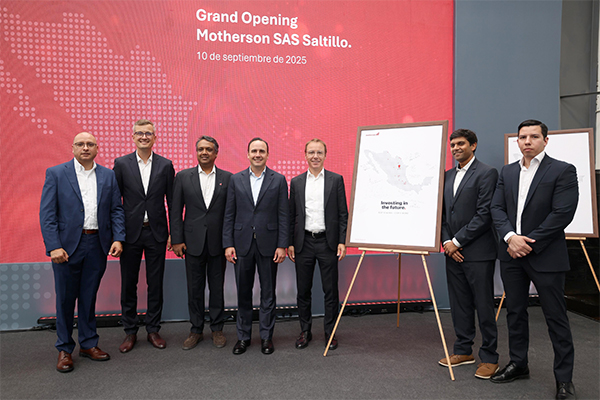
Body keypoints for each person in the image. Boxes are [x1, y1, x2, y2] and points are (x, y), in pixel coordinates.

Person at [490, 120, 578, 400]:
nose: (527, 141)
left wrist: (527, 243)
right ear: (517, 141)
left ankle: (564, 379)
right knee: (515, 312)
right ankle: (519, 364)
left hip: (546, 256)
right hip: (511, 255)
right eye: (522, 137)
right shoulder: (507, 171)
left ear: (545, 140)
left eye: (534, 136)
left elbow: (562, 214)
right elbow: (496, 208)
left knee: (556, 318)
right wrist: (510, 238)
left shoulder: (562, 170)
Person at [40, 132, 125, 373]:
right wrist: (54, 246)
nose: (85, 148)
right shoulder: (56, 173)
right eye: (80, 144)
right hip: (66, 248)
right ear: (73, 148)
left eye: (90, 144)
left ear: (97, 149)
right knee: (65, 299)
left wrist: (118, 238)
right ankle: (64, 349)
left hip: (97, 244)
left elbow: (116, 210)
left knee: (89, 297)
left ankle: (88, 344)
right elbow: (47, 214)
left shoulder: (108, 175)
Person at [438, 129, 499, 379]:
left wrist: (457, 241)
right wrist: (446, 242)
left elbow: (485, 214)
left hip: (478, 252)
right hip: (452, 253)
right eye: (452, 144)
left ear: (473, 145)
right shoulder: (446, 175)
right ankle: (463, 351)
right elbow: (442, 214)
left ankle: (490, 357)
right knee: (459, 304)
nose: (455, 148)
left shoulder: (487, 173)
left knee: (483, 305)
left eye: (461, 144)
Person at [223, 138, 289, 355]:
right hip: (241, 244)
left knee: (268, 293)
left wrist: (282, 245)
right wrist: (228, 244)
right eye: (254, 151)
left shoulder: (279, 180)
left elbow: (283, 215)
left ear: (267, 154)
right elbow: (229, 214)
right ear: (248, 154)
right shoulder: (236, 179)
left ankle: (266, 337)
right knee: (243, 292)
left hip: (269, 245)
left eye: (261, 151)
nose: (257, 154)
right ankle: (243, 337)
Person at [113, 119, 174, 352]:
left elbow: (172, 202)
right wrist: (117, 235)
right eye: (140, 133)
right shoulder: (121, 164)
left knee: (155, 283)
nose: (144, 137)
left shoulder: (166, 165)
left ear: (155, 138)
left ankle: (153, 329)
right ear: (133, 137)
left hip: (156, 233)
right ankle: (130, 331)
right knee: (129, 283)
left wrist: (173, 234)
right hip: (130, 234)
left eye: (148, 133)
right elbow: (114, 203)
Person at [170, 136, 232, 350]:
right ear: (196, 152)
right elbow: (175, 211)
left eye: (209, 149)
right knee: (194, 289)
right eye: (200, 149)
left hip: (218, 243)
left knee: (217, 288)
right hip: (191, 243)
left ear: (216, 153)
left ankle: (217, 329)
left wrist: (229, 242)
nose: (204, 152)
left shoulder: (228, 178)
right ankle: (196, 329)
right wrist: (177, 239)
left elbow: (230, 214)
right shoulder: (183, 177)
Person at [288, 139, 348, 351]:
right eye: (311, 152)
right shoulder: (296, 182)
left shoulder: (336, 180)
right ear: (305, 155)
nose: (315, 156)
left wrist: (342, 241)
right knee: (303, 291)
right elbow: (292, 215)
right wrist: (290, 243)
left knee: (330, 291)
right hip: (303, 243)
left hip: (327, 243)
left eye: (319, 152)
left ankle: (330, 332)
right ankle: (305, 331)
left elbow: (343, 214)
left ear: (325, 155)